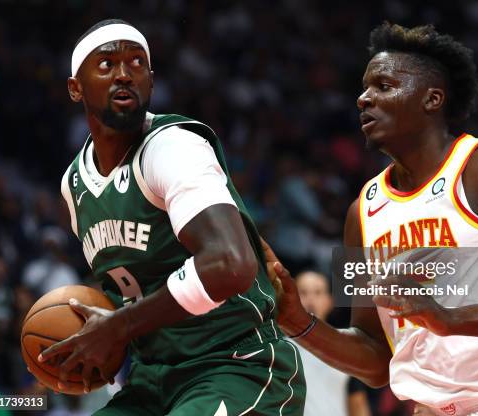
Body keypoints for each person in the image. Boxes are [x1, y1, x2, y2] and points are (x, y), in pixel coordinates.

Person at [264, 22, 478, 416]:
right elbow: (377, 359)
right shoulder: (359, 214)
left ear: (432, 99)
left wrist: (449, 318)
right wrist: (299, 323)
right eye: (364, 88)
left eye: (383, 86)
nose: (364, 99)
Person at [38, 19, 305, 415]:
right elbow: (129, 289)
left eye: (136, 63)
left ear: (151, 82)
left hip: (235, 367)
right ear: (76, 88)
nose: (124, 73)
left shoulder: (171, 147)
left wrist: (116, 327)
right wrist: (86, 342)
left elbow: (230, 265)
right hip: (152, 380)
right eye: (107, 64)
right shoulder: (73, 184)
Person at [291, 271, 371, 416]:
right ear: (291, 298)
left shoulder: (346, 347)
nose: (310, 300)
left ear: (329, 301)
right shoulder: (277, 348)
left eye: (318, 292)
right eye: (302, 292)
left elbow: (358, 402)